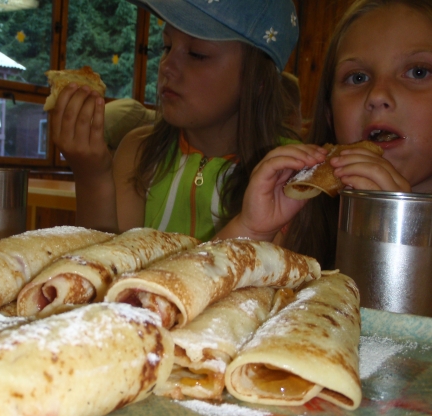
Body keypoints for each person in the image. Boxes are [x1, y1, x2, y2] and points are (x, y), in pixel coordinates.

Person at [50, 0, 300, 241]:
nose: (166, 66)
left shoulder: (288, 175)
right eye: (167, 47)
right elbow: (102, 262)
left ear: (258, 81)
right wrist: (92, 177)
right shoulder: (138, 153)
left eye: (197, 54)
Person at [217, 0, 432, 268]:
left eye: (418, 72)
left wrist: (400, 235)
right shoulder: (295, 220)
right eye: (358, 78)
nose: (377, 95)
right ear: (329, 113)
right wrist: (252, 230)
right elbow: (202, 285)